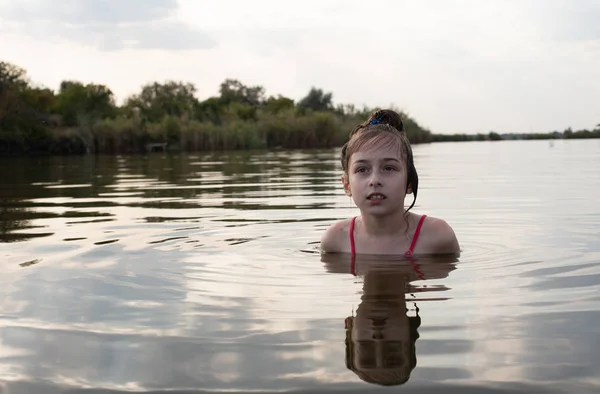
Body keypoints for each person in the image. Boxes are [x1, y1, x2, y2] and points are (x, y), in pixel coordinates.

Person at [320, 109, 460, 257]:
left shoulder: (437, 237)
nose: (374, 180)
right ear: (347, 185)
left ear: (409, 183)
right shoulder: (336, 241)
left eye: (388, 168)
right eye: (362, 169)